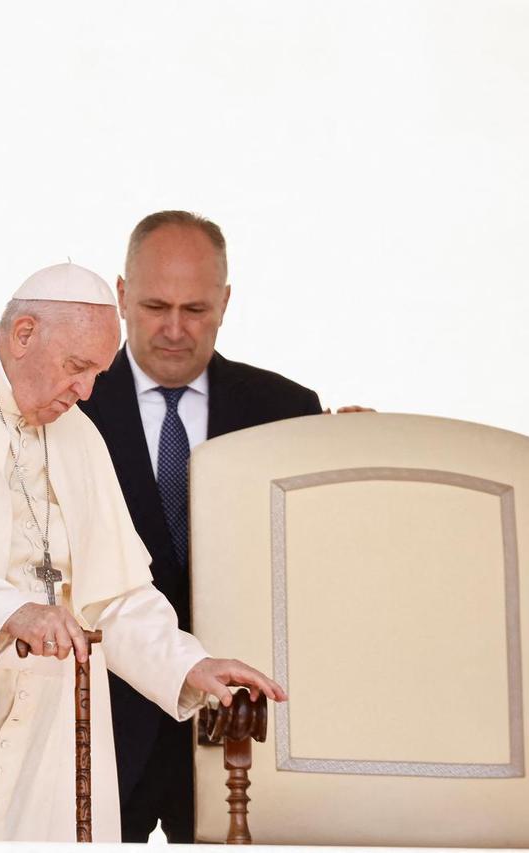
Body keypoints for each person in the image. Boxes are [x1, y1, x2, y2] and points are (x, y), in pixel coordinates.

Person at [0, 262, 285, 842]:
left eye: (98, 374)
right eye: (76, 368)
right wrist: (8, 613)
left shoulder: (79, 433)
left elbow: (115, 595)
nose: (86, 392)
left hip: (54, 726)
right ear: (24, 333)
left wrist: (190, 664)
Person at [77, 210, 362, 842]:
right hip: (100, 722)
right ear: (121, 296)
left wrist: (357, 460)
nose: (175, 330)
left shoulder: (287, 409)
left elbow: (322, 557)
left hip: (236, 728)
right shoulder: (71, 401)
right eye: (154, 305)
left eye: (196, 310)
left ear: (226, 302)